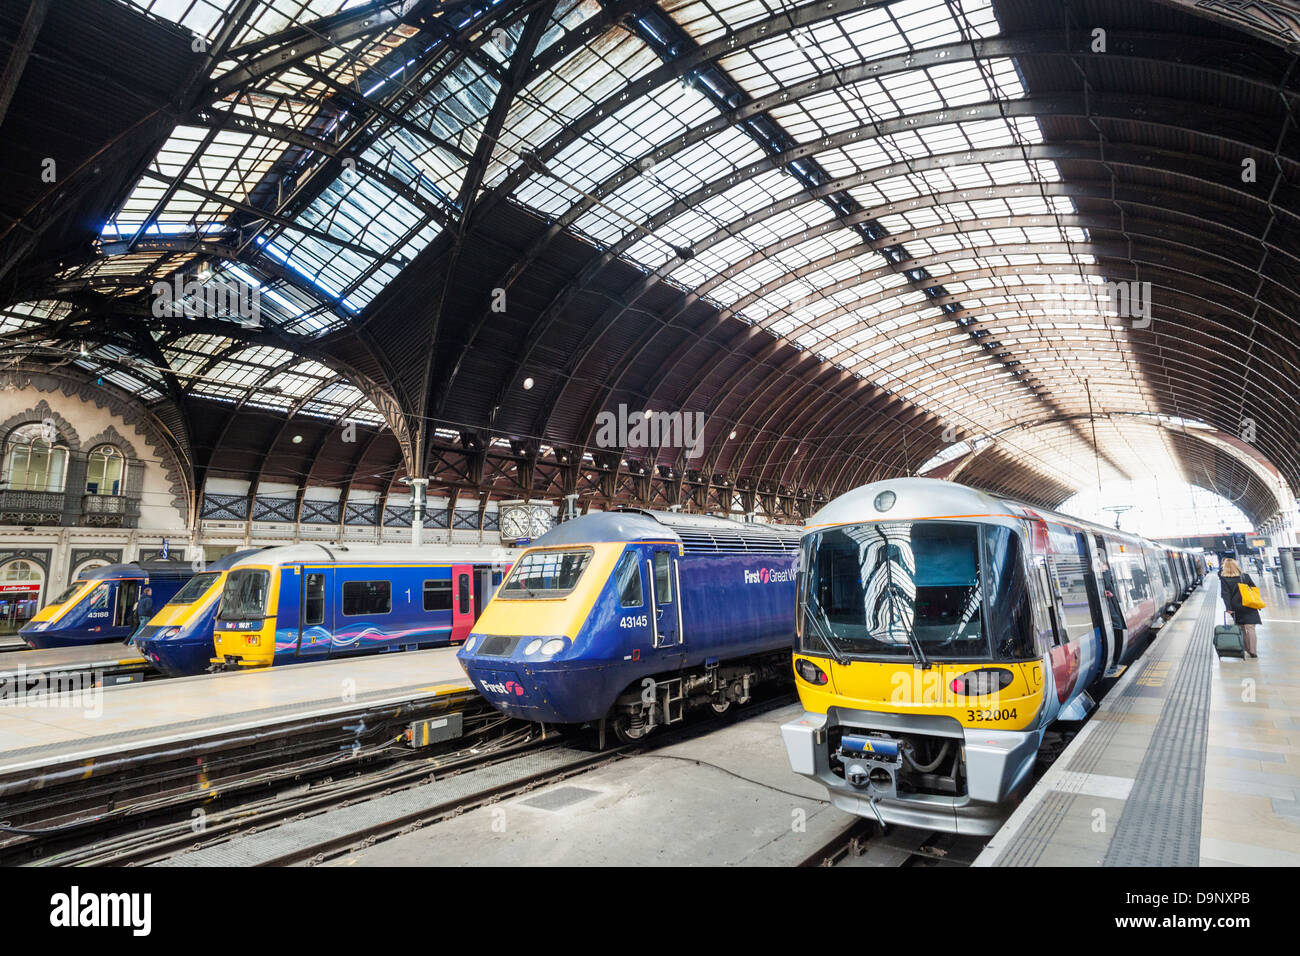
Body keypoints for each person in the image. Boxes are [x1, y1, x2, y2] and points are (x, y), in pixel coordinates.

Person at [1219, 558, 1261, 658]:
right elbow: (1254, 588)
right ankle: (1253, 650)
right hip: (1249, 604)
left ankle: (1247, 649)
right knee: (1250, 628)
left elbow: (1225, 594)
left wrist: (1228, 608)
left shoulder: (1224, 579)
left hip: (1236, 606)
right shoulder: (1245, 576)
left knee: (1241, 629)